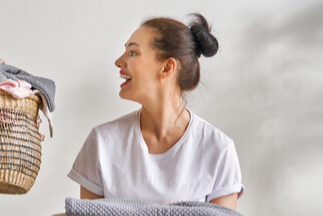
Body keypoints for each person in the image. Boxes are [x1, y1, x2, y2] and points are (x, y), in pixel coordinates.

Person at [68, 13, 244, 210]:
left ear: (167, 67)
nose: (119, 61)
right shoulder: (102, 142)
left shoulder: (218, 150)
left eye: (133, 52)